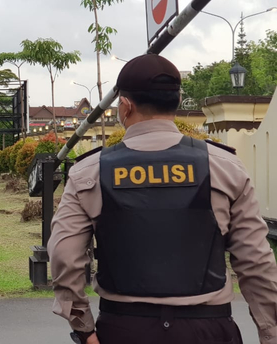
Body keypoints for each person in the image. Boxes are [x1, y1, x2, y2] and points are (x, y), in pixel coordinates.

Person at [48, 54, 277, 344]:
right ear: (178, 101)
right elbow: (256, 262)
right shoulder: (224, 166)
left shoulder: (90, 171)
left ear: (125, 106)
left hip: (123, 329)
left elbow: (63, 257)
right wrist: (270, 334)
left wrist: (84, 327)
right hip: (208, 330)